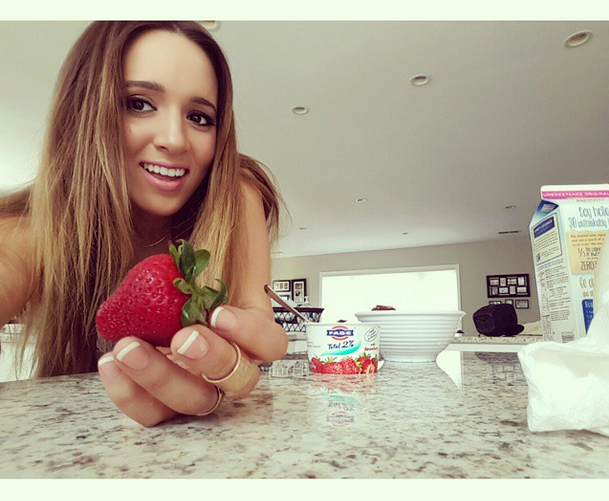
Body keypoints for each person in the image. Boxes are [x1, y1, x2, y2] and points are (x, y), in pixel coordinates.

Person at [0, 21, 288, 427]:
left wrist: (243, 357)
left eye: (199, 117)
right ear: (83, 114)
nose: (175, 139)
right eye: (138, 103)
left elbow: (253, 318)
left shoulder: (234, 195)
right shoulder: (30, 228)